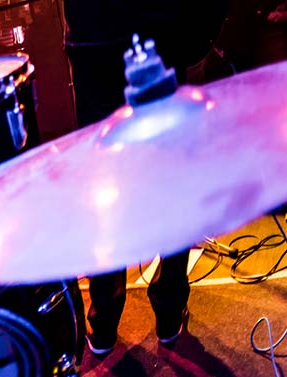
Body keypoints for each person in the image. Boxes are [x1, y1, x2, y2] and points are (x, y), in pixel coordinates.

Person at [61, 0, 229, 356]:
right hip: (161, 32)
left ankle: (104, 318)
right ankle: (168, 311)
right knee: (172, 179)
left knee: (104, 180)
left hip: (93, 40)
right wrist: (201, 37)